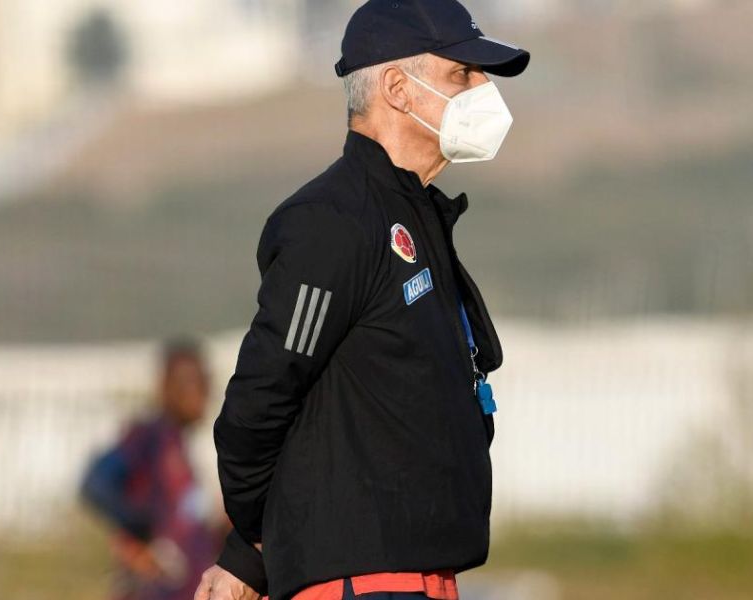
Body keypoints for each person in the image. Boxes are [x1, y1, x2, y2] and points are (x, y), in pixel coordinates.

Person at [195, 1, 530, 599]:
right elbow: (261, 399)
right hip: (362, 581)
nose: (483, 91)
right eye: (463, 75)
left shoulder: (415, 212)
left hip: (422, 574)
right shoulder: (335, 220)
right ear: (398, 89)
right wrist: (257, 540)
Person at [82, 338, 223, 600]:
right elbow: (96, 483)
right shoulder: (148, 437)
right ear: (165, 387)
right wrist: (146, 531)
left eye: (204, 382)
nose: (202, 391)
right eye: (191, 382)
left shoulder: (181, 444)